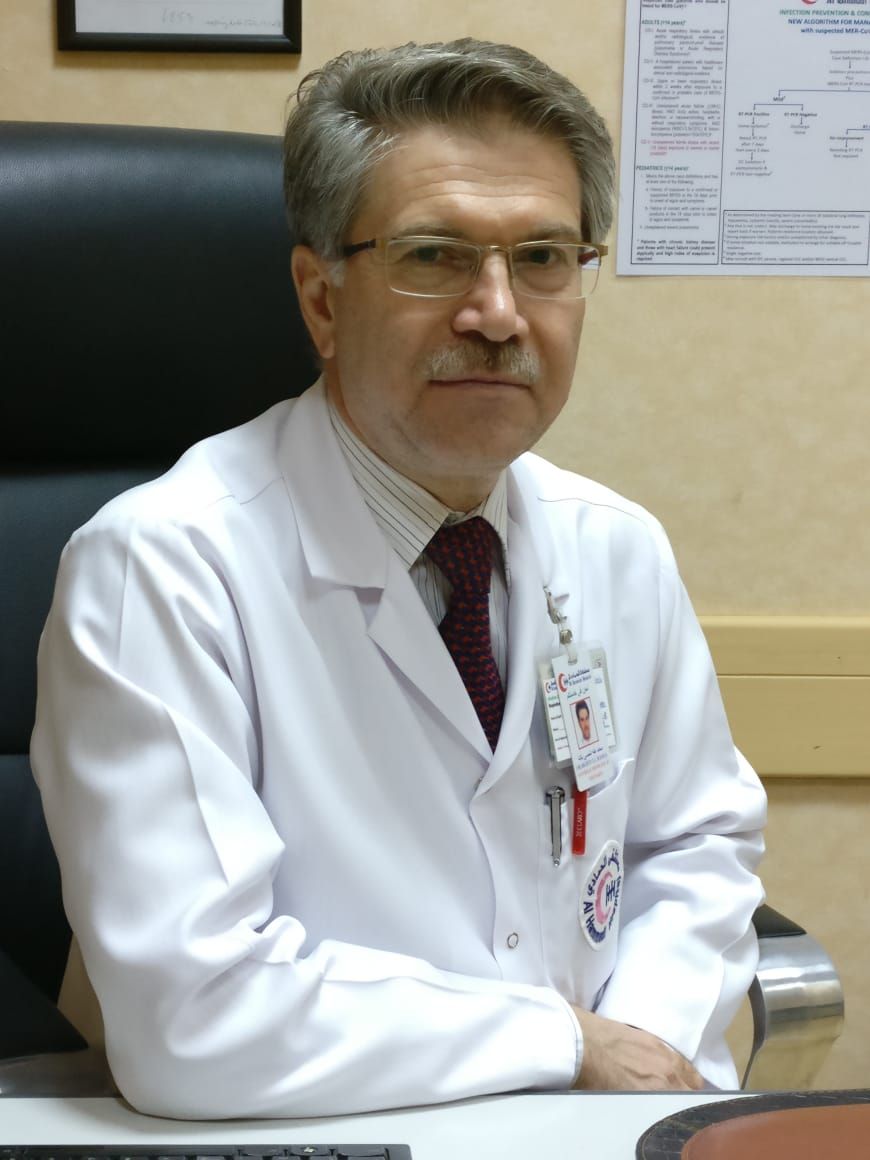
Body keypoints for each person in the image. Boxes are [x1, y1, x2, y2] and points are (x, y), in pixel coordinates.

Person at [31, 39, 766, 1119]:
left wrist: (643, 1052)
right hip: (309, 1131)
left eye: (544, 257)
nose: (500, 313)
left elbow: (695, 842)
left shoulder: (618, 547)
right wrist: (565, 1042)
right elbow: (195, 1010)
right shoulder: (165, 568)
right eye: (435, 255)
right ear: (321, 300)